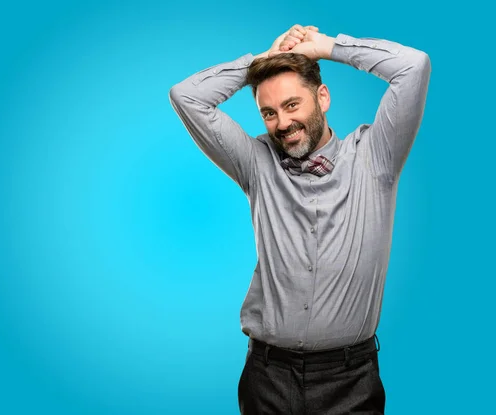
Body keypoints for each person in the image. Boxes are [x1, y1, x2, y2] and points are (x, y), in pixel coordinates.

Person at [169, 23, 430, 414]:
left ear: (322, 97)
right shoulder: (255, 162)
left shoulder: (376, 157)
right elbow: (186, 96)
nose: (282, 123)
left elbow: (413, 66)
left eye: (293, 105)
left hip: (350, 380)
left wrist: (325, 47)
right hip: (267, 377)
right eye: (269, 113)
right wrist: (262, 62)